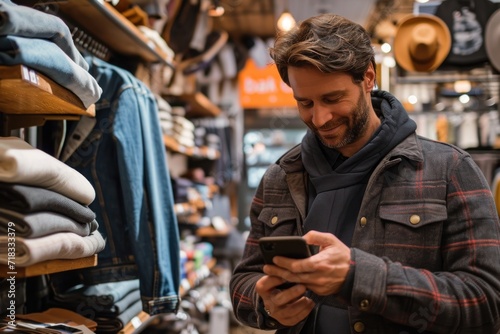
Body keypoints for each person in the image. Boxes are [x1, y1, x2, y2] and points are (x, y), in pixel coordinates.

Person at [229, 13, 500, 334]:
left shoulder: (449, 169)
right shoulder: (281, 176)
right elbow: (243, 282)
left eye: (333, 98)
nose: (319, 118)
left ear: (368, 77)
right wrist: (266, 304)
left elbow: (487, 301)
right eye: (305, 103)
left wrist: (359, 277)